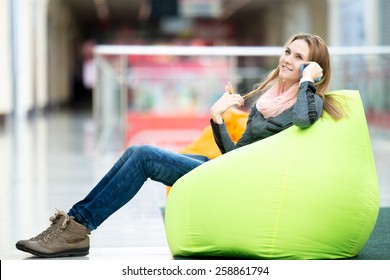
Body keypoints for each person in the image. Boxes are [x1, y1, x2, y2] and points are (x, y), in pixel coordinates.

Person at [15, 33, 344, 258]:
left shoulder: (307, 101)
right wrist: (217, 118)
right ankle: (74, 225)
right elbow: (236, 154)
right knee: (137, 151)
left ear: (313, 68)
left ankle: (76, 228)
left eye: (299, 57)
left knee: (144, 156)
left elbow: (303, 121)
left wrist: (307, 82)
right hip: (231, 170)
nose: (288, 59)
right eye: (288, 51)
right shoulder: (268, 100)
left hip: (244, 184)